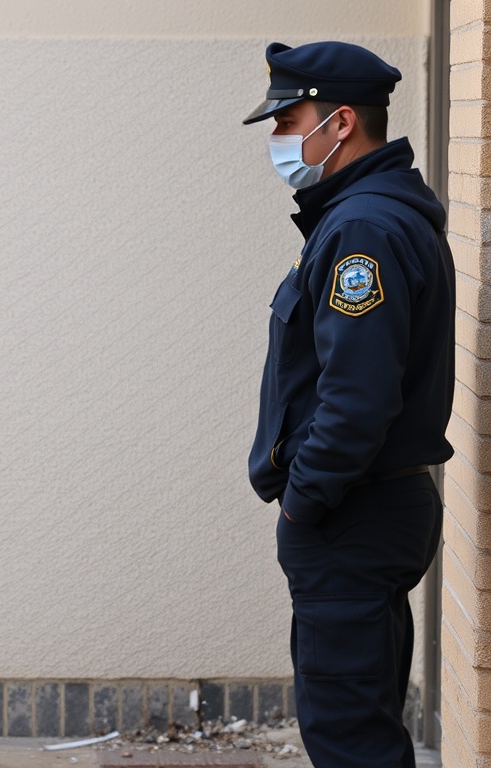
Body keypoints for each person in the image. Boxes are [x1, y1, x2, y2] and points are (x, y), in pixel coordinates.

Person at [244, 41, 455, 768]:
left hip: (352, 515)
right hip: (370, 511)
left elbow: (356, 400)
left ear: (340, 123)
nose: (278, 139)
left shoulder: (361, 229)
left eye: (287, 121)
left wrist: (303, 505)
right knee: (362, 731)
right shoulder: (370, 214)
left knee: (350, 744)